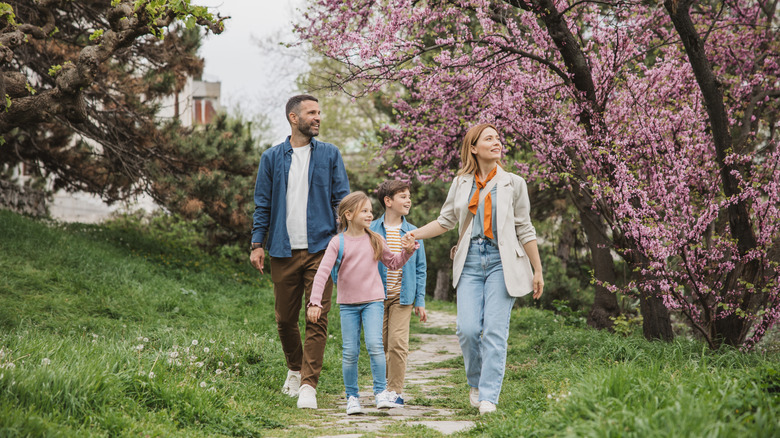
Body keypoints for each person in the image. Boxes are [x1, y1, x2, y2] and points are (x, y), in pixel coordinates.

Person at [404, 123, 544, 415]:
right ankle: (476, 382)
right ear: (473, 148)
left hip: (501, 262)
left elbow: (525, 228)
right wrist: (414, 234)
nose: (497, 142)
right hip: (469, 261)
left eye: (498, 138)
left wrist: (537, 270)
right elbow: (445, 221)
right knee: (467, 330)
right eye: (489, 138)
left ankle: (489, 396)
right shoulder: (461, 183)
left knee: (494, 331)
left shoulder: (514, 183)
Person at [249, 94, 350, 410]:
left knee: (317, 317)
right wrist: (257, 244)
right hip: (282, 249)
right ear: (294, 118)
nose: (318, 117)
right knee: (285, 319)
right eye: (311, 112)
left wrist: (345, 240)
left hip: (322, 249)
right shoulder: (271, 158)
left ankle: (308, 385)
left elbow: (342, 200)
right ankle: (294, 368)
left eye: (319, 112)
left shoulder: (330, 154)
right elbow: (263, 204)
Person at [306, 191, 418, 415]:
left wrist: (407, 252)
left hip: (373, 302)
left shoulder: (375, 239)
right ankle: (352, 397)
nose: (370, 215)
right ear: (348, 215)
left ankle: (380, 393)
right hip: (348, 305)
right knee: (350, 352)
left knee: (375, 346)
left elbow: (393, 263)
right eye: (364, 211)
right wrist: (315, 302)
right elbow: (322, 273)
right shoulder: (337, 242)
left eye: (370, 211)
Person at [369, 180, 427, 407]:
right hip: (375, 297)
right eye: (403, 196)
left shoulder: (414, 232)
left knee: (397, 343)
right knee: (379, 344)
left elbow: (421, 268)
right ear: (388, 201)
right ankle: (381, 388)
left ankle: (395, 391)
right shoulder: (371, 230)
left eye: (409, 196)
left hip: (403, 297)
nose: (408, 200)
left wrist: (420, 300)